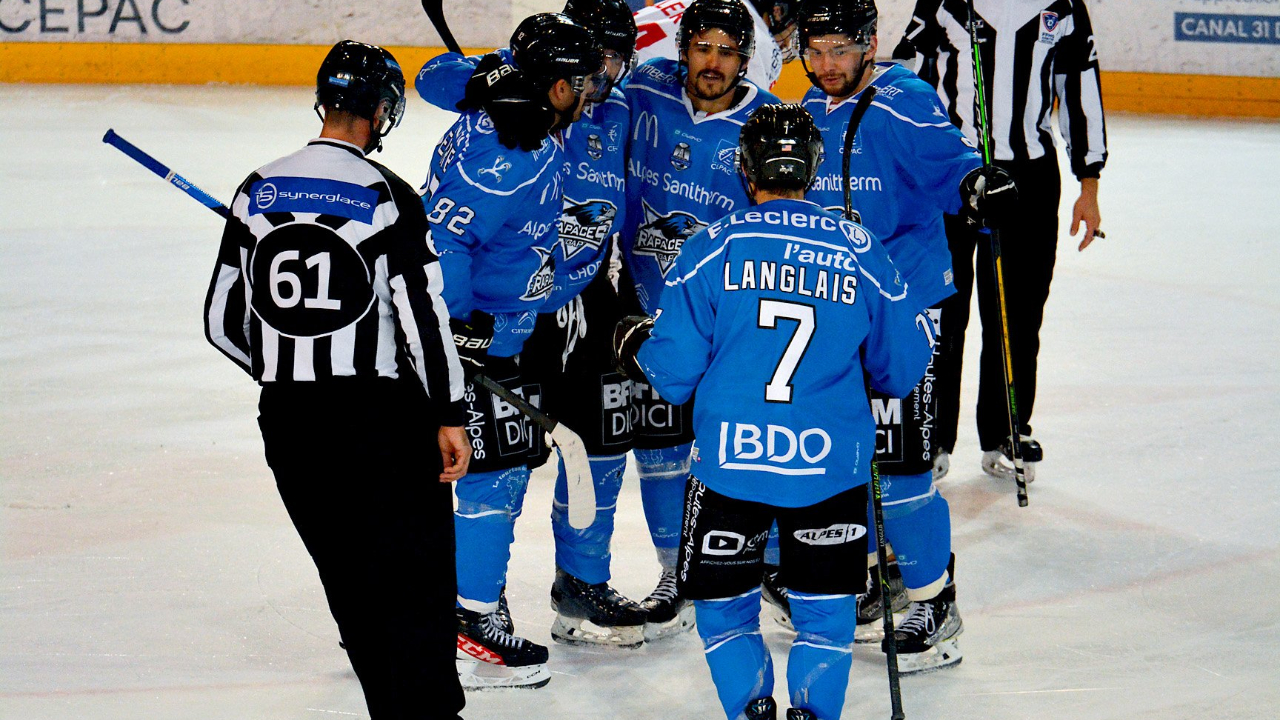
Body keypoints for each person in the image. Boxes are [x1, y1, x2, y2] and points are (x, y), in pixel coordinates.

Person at [614, 104, 934, 720]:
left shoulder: (713, 245)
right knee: (824, 615)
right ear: (813, 169)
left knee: (725, 610)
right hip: (829, 469)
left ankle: (751, 712)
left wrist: (633, 344)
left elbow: (673, 375)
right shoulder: (858, 245)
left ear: (745, 167)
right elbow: (903, 368)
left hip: (729, 466)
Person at [203, 40, 471, 719]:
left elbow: (221, 321)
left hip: (289, 424)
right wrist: (448, 411)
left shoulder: (257, 188)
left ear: (325, 99)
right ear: (381, 110)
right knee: (415, 585)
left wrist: (289, 370)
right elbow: (421, 318)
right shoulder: (386, 196)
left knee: (349, 580)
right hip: (379, 422)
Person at [786, 0, 1016, 673]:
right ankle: (869, 573)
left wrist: (979, 186)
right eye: (816, 51)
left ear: (870, 44)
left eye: (840, 52)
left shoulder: (903, 99)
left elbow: (954, 164)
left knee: (904, 471)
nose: (827, 66)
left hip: (904, 312)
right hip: (834, 313)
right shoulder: (809, 105)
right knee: (841, 459)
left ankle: (934, 604)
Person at [416, 0, 651, 651]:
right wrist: (486, 82)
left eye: (614, 57)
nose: (603, 73)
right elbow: (430, 80)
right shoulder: (514, 101)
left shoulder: (623, 108)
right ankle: (474, 601)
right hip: (518, 315)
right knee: (504, 457)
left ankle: (582, 583)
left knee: (603, 447)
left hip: (589, 298)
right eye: (593, 56)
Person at [892, 0, 1108, 481]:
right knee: (938, 308)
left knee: (1018, 310)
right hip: (947, 169)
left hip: (1029, 179)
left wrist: (1088, 184)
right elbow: (904, 72)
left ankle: (1007, 428)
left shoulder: (1063, 7)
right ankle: (931, 434)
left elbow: (1079, 88)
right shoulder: (947, 1)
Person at [619, 0, 780, 642]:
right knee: (659, 447)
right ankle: (673, 573)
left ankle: (769, 569)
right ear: (682, 49)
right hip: (639, 305)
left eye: (726, 51)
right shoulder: (642, 89)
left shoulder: (765, 122)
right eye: (701, 48)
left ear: (745, 58)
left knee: (739, 448)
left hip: (725, 317)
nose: (711, 63)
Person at [633, 0, 800, 89]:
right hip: (629, 87)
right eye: (790, 29)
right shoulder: (753, 33)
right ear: (778, 12)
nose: (786, 42)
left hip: (620, 71)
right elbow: (748, 114)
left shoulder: (705, 5)